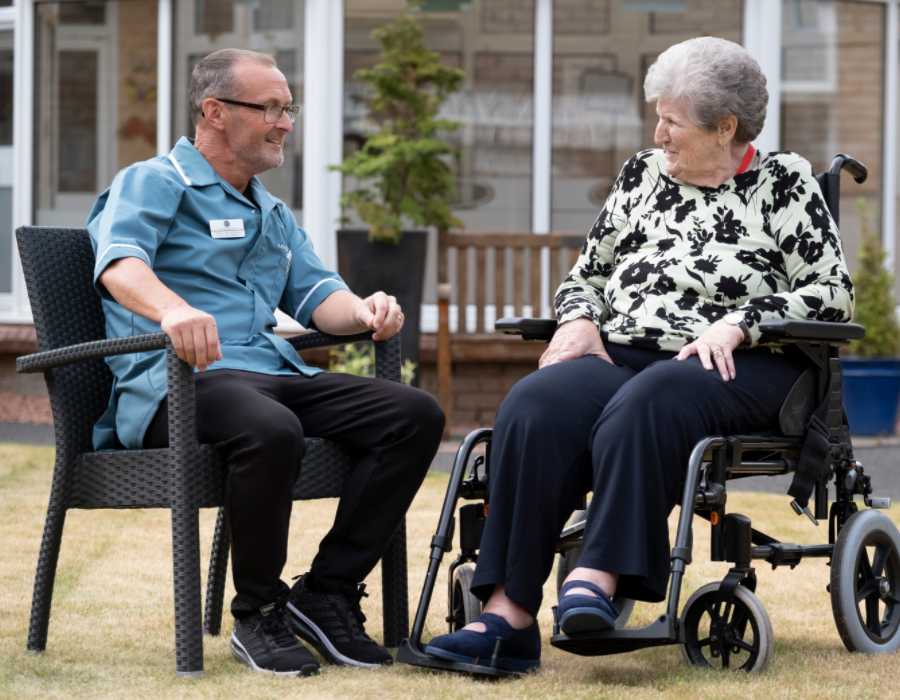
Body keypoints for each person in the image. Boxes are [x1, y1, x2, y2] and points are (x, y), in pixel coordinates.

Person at [424, 36, 853, 674]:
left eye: (672, 121)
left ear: (724, 128)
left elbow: (832, 293)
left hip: (741, 366)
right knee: (534, 404)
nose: (658, 133)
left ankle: (596, 582)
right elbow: (588, 275)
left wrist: (739, 323)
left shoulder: (783, 183)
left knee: (650, 399)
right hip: (624, 354)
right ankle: (507, 621)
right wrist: (576, 319)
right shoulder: (640, 175)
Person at [88, 48, 444, 677]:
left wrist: (365, 310)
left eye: (288, 109)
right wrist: (173, 312)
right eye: (271, 108)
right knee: (269, 427)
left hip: (272, 375)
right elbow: (120, 264)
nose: (285, 123)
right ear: (214, 112)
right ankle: (257, 612)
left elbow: (317, 299)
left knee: (411, 413)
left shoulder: (270, 210)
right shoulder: (154, 181)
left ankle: (326, 593)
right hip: (177, 384)